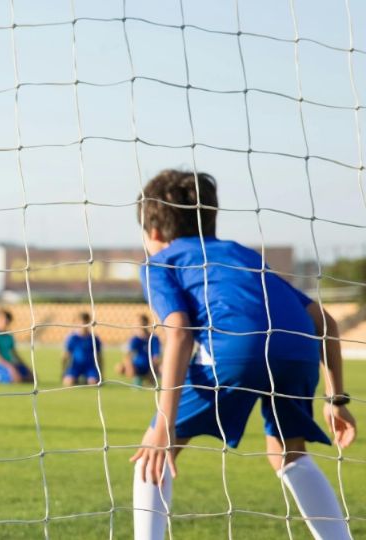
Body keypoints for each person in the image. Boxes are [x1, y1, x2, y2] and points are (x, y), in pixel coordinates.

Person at [130, 169, 356, 540]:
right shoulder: (242, 255)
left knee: (153, 450)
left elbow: (179, 330)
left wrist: (163, 423)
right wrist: (336, 399)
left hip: (238, 348)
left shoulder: (160, 261)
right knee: (288, 454)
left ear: (153, 232)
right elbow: (325, 321)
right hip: (297, 347)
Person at [0, 308, 33, 384]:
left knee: (32, 377)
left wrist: (25, 366)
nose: (5, 321)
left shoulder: (9, 336)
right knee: (17, 379)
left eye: (7, 319)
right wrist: (10, 367)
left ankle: (0, 376)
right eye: (2, 319)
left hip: (10, 363)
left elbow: (15, 353)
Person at [116, 314, 161, 387]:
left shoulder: (154, 338)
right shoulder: (134, 339)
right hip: (137, 366)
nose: (140, 325)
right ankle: (137, 378)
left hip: (151, 366)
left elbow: (156, 357)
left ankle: (152, 379)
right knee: (120, 367)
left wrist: (152, 370)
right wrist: (129, 366)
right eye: (138, 323)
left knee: (163, 368)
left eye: (141, 322)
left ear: (147, 323)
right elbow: (128, 355)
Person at [62, 312, 103, 386]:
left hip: (90, 366)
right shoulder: (73, 338)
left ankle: (85, 379)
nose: (83, 325)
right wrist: (64, 371)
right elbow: (66, 355)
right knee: (68, 382)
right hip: (75, 366)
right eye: (81, 322)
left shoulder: (94, 338)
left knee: (93, 383)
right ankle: (77, 379)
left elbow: (99, 356)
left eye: (85, 322)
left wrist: (101, 373)